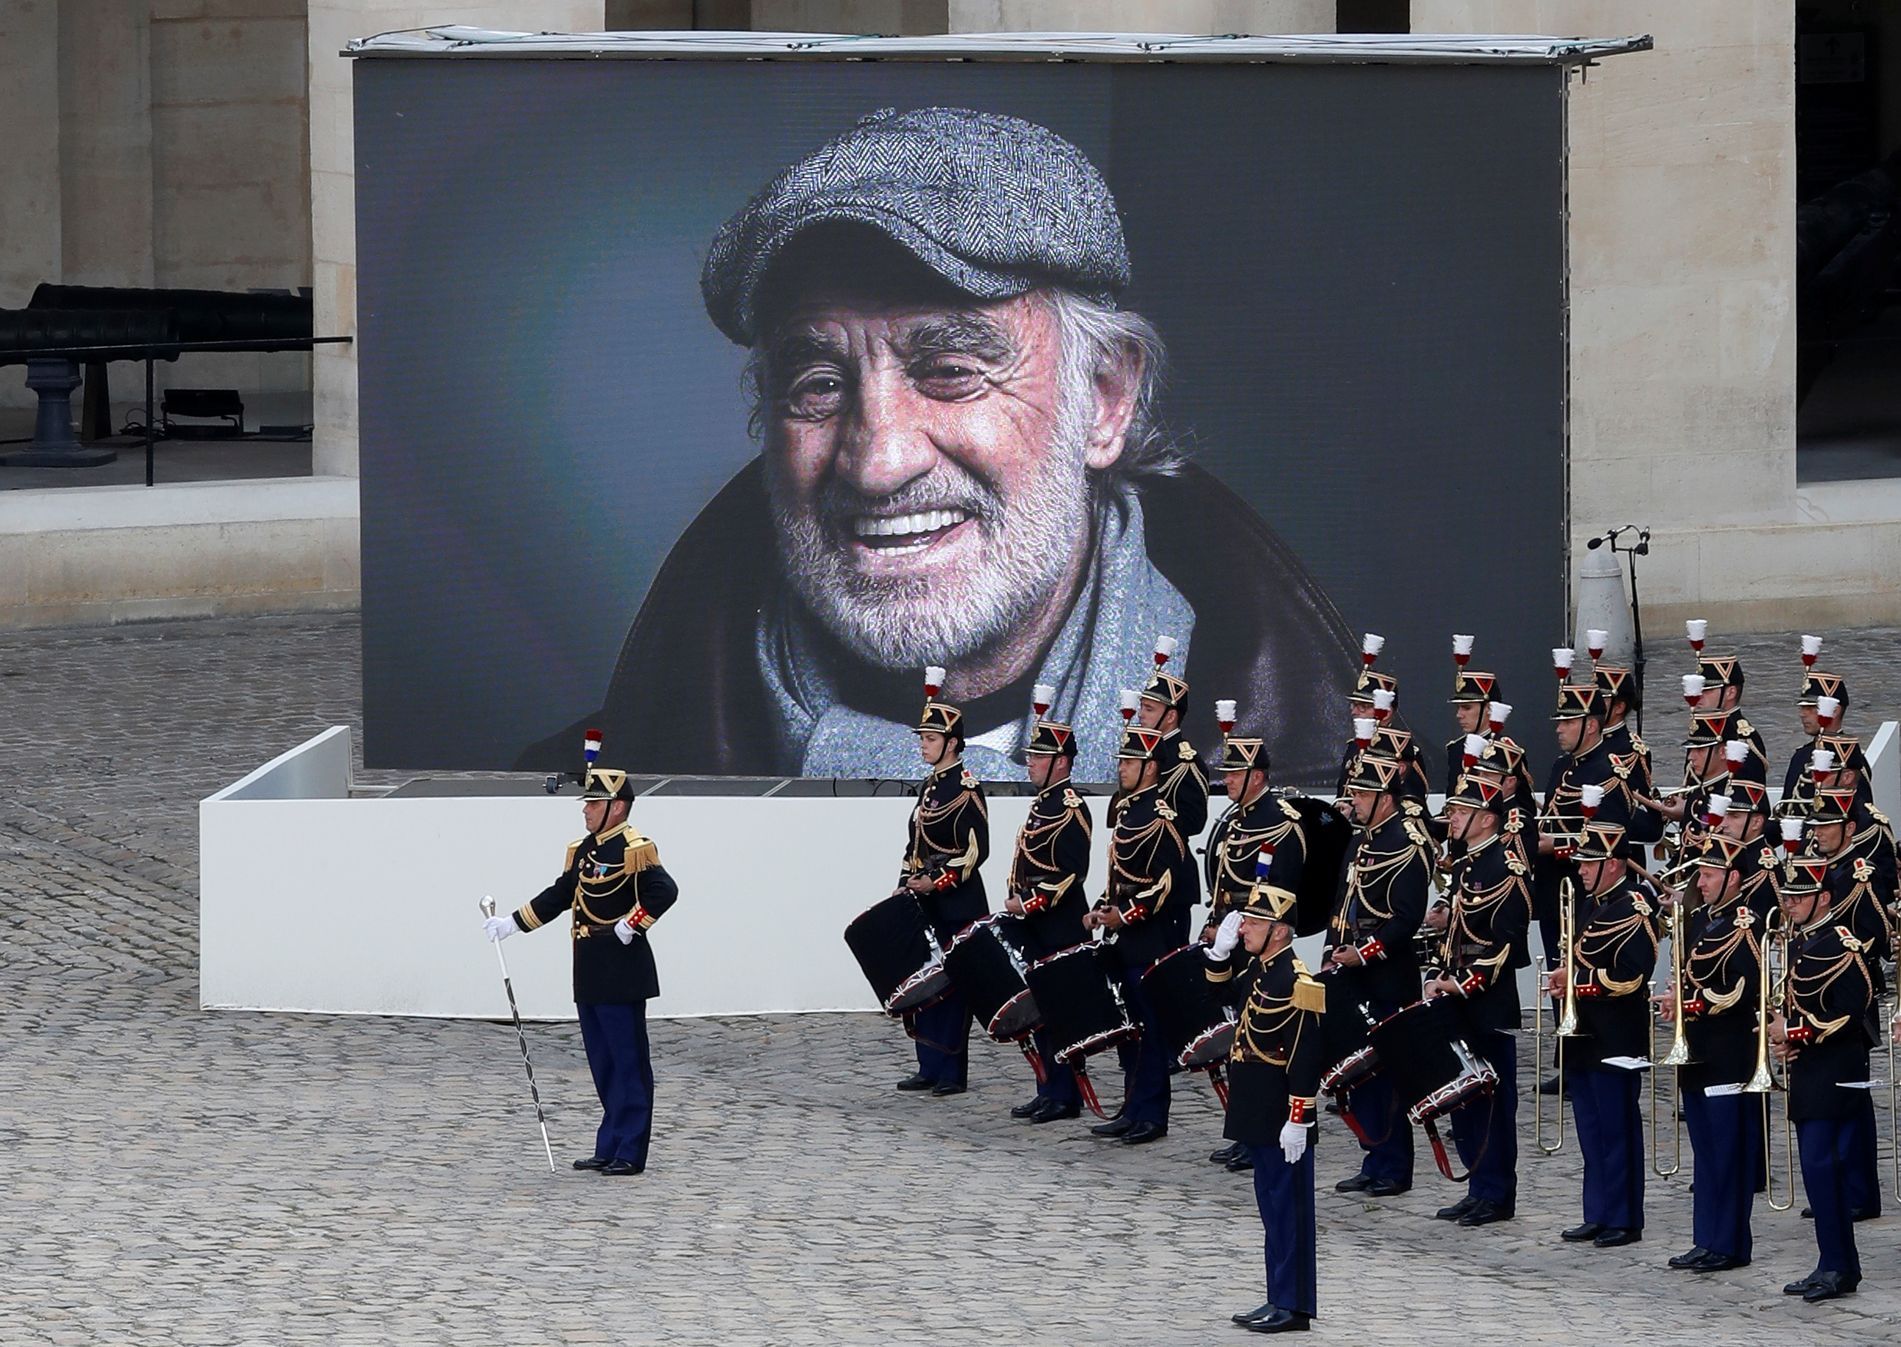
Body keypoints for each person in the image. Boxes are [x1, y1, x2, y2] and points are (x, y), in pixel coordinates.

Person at [518, 106, 1357, 784]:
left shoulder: (1355, 788)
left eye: (951, 369)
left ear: (1103, 401)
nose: (877, 462)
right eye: (817, 383)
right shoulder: (562, 798)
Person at [483, 765, 680, 1175]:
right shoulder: (585, 851)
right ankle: (608, 1144)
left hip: (622, 969)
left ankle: (630, 1150)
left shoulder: (633, 847)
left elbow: (666, 890)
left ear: (617, 806)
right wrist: (512, 924)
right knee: (603, 1062)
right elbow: (559, 895)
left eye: (593, 803)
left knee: (628, 1063)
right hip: (589, 968)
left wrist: (635, 920)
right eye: (588, 803)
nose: (586, 811)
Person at [1206, 882, 1325, 1335]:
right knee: (1271, 1210)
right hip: (1256, 1108)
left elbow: (1305, 1055)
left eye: (1255, 922)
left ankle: (1293, 1306)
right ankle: (1278, 1296)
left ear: (1280, 931)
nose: (1246, 928)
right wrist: (1219, 956)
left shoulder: (1299, 982)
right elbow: (1213, 999)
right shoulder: (1260, 970)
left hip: (1281, 1112)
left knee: (1288, 1210)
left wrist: (1299, 1119)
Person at [1423, 766, 1530, 1227]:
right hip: (1457, 1000)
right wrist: (1436, 974)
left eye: (1463, 811)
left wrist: (1460, 982)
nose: (1452, 819)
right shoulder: (1467, 865)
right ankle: (1476, 1185)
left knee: (1492, 1102)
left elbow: (1503, 945)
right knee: (1464, 1098)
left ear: (1487, 818)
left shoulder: (1504, 867)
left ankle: (1496, 1193)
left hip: (1486, 1003)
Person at [1771, 850, 1878, 1303]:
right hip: (1811, 1068)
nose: (1791, 904)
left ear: (1825, 897)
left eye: (1801, 896)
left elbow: (1853, 1016)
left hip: (1835, 1072)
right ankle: (1830, 1262)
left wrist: (1793, 1032)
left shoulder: (1840, 944)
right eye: (1790, 896)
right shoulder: (1804, 942)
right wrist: (1790, 1039)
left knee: (1824, 1167)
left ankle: (1839, 1266)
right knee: (1818, 1173)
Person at [1545, 820, 1659, 1248]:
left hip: (1615, 1034)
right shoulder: (1589, 904)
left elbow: (1632, 974)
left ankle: (1625, 1217)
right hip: (1583, 1033)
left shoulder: (1633, 905)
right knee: (1591, 1130)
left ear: (1613, 864)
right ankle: (1597, 1210)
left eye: (1591, 862)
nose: (1582, 870)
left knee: (1617, 1129)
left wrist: (1575, 980)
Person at [1655, 833, 1763, 1274]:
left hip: (1729, 1052)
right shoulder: (1700, 920)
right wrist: (1673, 997)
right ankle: (1706, 1238)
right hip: (1698, 1051)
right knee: (1705, 1152)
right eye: (1702, 872)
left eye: (1711, 874)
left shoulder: (1746, 924)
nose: (1702, 880)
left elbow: (1742, 990)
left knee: (1728, 1153)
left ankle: (1730, 1243)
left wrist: (1690, 1003)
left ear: (1733, 878)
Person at [1327, 751, 1432, 1197]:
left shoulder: (1405, 844)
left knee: (1387, 1074)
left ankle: (1394, 1166)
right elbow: (1343, 901)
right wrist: (1334, 950)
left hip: (1386, 976)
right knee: (1359, 1073)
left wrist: (1365, 954)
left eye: (1362, 794)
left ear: (1385, 799)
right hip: (1351, 973)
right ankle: (1373, 1155)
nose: (1354, 801)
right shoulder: (1361, 841)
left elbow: (1406, 918)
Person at [1085, 723, 1195, 1145]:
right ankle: (1132, 1107)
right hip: (1124, 940)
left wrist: (1124, 916)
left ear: (1151, 768)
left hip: (1148, 940)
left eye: (1130, 762)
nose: (1122, 769)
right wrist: (1102, 910)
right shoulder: (1130, 811)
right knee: (1129, 1029)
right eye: (1122, 762)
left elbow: (1163, 886)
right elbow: (1122, 879)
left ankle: (1151, 1113)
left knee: (1150, 1031)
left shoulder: (1161, 819)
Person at [1204, 731, 1309, 1171]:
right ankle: (1244, 1128)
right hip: (1236, 935)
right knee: (1238, 1046)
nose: (1227, 780)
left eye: (1235, 774)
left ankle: (1260, 1131)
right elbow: (1224, 881)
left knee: (1264, 1049)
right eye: (1226, 773)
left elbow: (1275, 895)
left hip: (1261, 942)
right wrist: (1216, 922)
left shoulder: (1280, 822)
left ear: (1258, 775)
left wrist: (1251, 933)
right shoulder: (1235, 819)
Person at [893, 695, 990, 1097]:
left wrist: (939, 881)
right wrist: (904, 882)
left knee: (953, 990)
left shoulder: (966, 788)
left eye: (931, 738)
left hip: (956, 904)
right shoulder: (929, 787)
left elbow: (975, 851)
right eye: (923, 738)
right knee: (925, 985)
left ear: (951, 742)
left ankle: (951, 1070)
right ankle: (928, 1064)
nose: (923, 744)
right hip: (925, 902)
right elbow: (913, 844)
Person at [1003, 714, 1092, 1124]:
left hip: (1059, 925)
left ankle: (1066, 1094)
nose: (1031, 763)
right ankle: (1047, 1089)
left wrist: (1031, 903)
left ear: (1061, 761)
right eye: (1031, 756)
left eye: (1039, 756)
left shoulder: (1072, 808)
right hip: (1034, 926)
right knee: (1041, 1012)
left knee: (1062, 1015)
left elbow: (1071, 875)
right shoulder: (1042, 805)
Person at [1783, 668, 1849, 799]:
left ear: (1834, 710)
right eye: (1802, 708)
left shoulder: (1848, 758)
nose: (1802, 714)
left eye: (1811, 708)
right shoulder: (1801, 756)